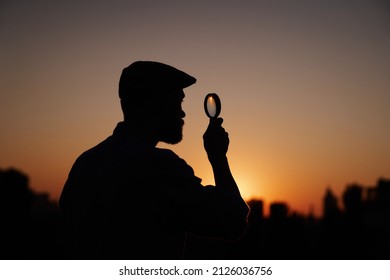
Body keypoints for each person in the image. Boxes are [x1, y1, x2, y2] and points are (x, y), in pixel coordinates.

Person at [59, 61, 249, 259]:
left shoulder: (84, 164)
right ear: (164, 103)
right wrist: (218, 157)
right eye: (179, 102)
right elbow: (233, 222)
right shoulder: (156, 166)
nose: (182, 113)